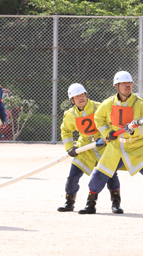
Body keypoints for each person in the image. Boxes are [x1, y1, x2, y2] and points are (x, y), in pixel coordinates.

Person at [78, 71, 143, 214]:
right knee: (99, 174)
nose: (128, 85)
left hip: (137, 147)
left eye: (130, 83)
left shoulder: (140, 104)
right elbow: (98, 118)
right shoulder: (108, 104)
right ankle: (91, 205)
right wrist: (106, 132)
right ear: (116, 86)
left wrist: (133, 131)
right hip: (115, 147)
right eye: (124, 83)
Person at [58, 83, 123, 214]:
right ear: (72, 100)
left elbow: (113, 123)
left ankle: (116, 203)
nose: (80, 98)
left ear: (86, 95)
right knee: (73, 175)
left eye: (82, 94)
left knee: (111, 175)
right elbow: (65, 131)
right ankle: (69, 202)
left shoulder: (99, 107)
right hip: (84, 148)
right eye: (76, 97)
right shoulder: (70, 115)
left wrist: (105, 136)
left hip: (104, 146)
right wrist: (70, 147)